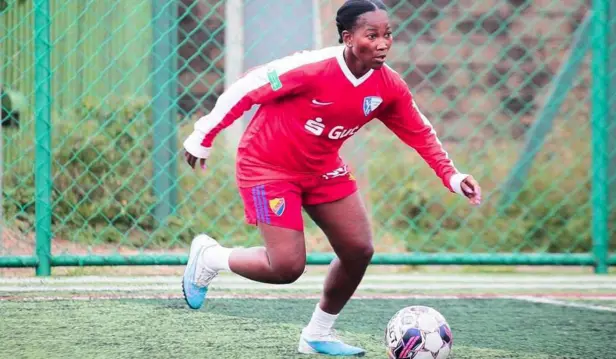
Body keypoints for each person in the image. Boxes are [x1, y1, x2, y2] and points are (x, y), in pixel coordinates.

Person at [181, 0, 482, 356]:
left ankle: (316, 335)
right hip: (266, 168)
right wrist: (203, 135)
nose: (383, 43)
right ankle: (210, 257)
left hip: (322, 168)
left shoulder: (388, 87)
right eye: (372, 35)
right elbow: (247, 88)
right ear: (348, 37)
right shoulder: (310, 67)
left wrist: (451, 175)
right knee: (286, 267)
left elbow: (419, 131)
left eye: (388, 34)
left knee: (358, 249)